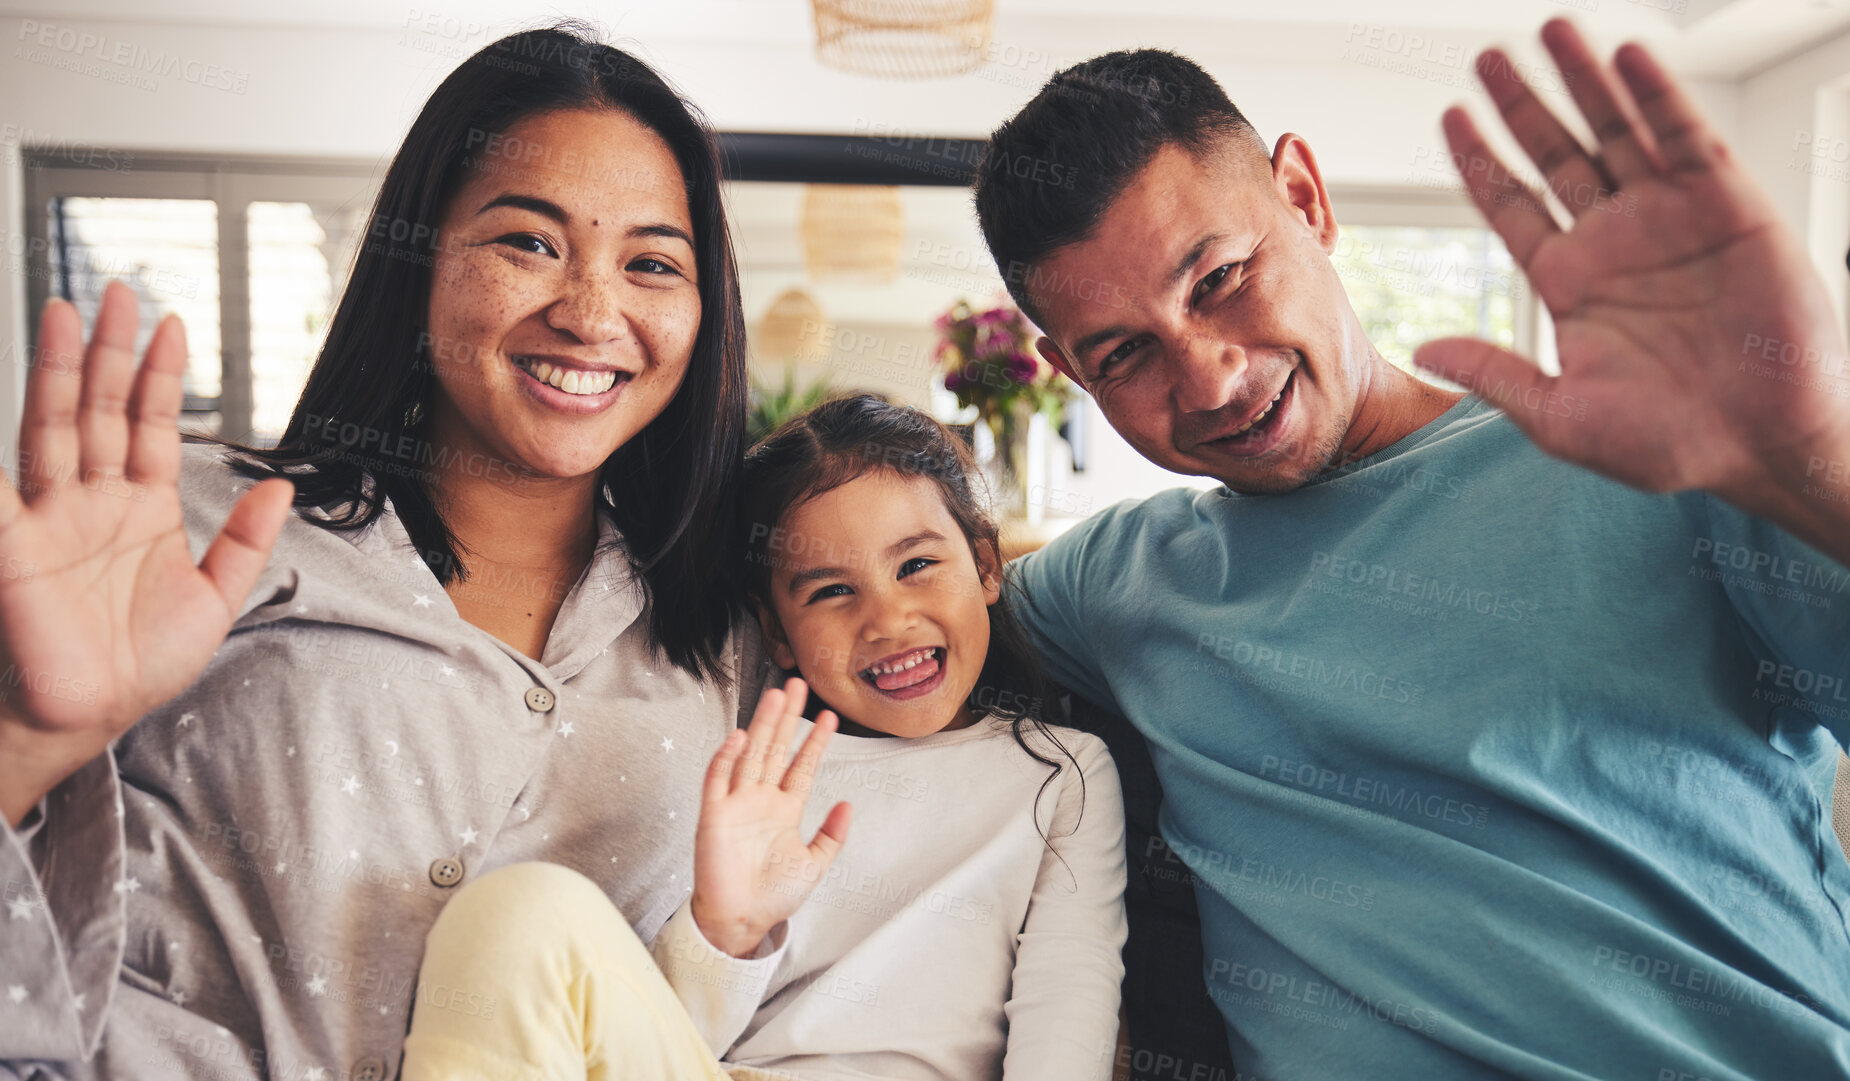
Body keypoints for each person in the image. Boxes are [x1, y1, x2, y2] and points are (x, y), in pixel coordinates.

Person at [974, 17, 1850, 1081]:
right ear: (1070, 374)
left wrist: (1810, 455)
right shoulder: (1112, 582)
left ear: (1303, 198)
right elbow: (844, 616)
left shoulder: (1664, 456)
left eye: (1217, 281)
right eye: (1124, 353)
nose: (1207, 378)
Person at [0, 24, 763, 1081]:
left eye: (650, 263)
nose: (592, 311)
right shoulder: (196, 528)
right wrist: (31, 738)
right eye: (528, 243)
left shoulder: (720, 641)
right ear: (419, 257)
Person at [396, 395, 1127, 1080]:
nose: (887, 618)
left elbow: (1069, 1004)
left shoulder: (1060, 772)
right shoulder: (751, 766)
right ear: (775, 629)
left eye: (917, 565)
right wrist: (726, 927)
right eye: (831, 590)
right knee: (522, 911)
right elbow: (675, 1037)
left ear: (987, 566)